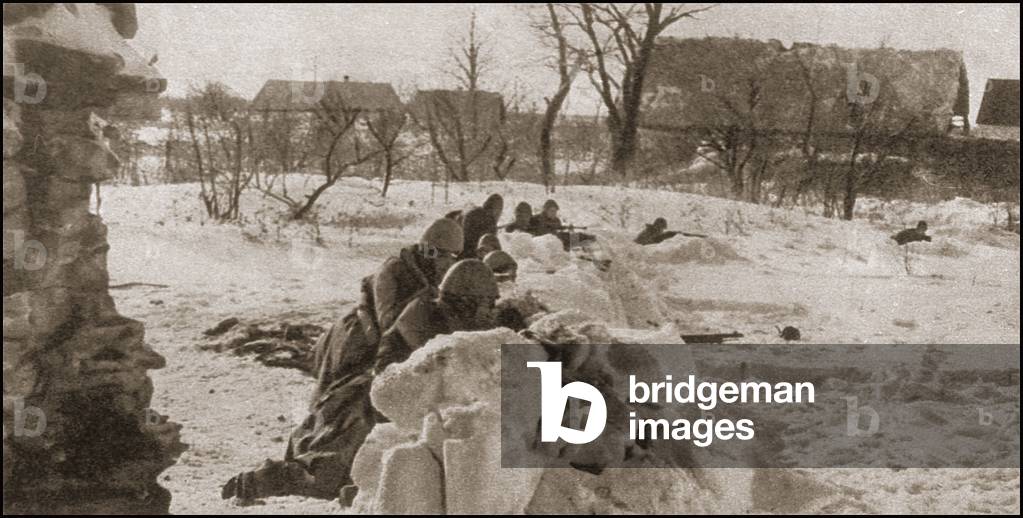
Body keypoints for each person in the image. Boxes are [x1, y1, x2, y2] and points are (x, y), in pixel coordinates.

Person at [221, 218, 464, 502]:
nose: (448, 264)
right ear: (431, 253)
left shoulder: (431, 280)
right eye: (446, 257)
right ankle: (305, 464)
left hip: (387, 343)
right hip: (358, 338)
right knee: (344, 402)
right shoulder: (395, 270)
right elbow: (388, 321)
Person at [374, 259, 500, 371]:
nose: (491, 311)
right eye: (488, 304)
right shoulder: (425, 319)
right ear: (466, 303)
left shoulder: (457, 319)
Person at [375, 218, 463, 331]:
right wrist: (422, 298)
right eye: (442, 256)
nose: (448, 264)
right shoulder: (392, 270)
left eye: (452, 257)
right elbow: (385, 322)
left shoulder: (439, 273)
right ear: (428, 253)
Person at [455, 194, 504, 260]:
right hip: (475, 255)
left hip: (462, 252)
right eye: (499, 211)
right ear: (497, 210)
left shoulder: (472, 212)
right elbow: (492, 247)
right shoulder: (490, 221)